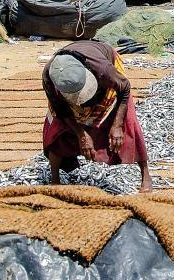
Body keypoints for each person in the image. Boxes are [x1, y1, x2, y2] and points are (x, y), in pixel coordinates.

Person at [41, 40, 152, 193]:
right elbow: (60, 109)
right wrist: (81, 134)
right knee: (57, 127)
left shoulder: (103, 69)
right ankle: (55, 179)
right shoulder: (49, 75)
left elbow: (125, 88)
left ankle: (146, 175)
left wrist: (117, 125)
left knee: (129, 122)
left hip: (106, 72)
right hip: (65, 99)